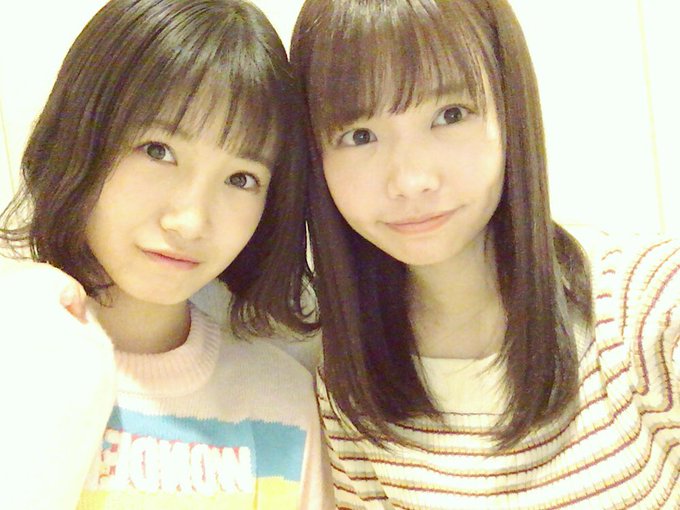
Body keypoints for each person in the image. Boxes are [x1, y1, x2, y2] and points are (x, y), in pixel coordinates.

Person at [289, 0, 680, 508]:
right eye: (359, 135)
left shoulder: (650, 309)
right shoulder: (350, 387)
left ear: (509, 108)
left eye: (450, 115)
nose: (412, 180)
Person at [0, 0, 332, 508]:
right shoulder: (18, 356)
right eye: (158, 150)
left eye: (241, 178)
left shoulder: (280, 403)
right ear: (81, 132)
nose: (191, 221)